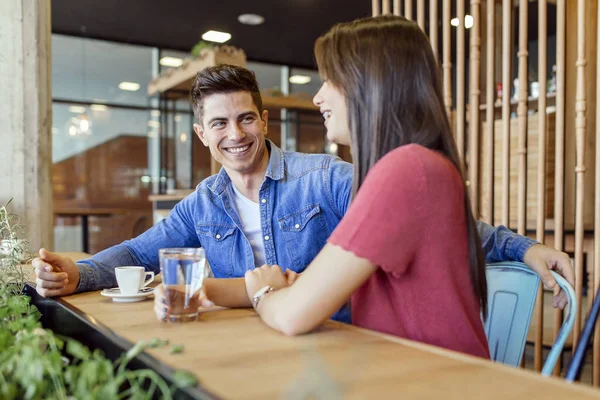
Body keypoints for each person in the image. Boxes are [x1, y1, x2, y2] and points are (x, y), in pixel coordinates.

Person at [34, 64, 573, 325]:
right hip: (255, 344)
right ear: (202, 134)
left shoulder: (327, 176)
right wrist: (78, 272)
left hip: (336, 344)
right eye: (219, 123)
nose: (236, 134)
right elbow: (137, 253)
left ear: (264, 119)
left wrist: (522, 247)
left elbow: (434, 223)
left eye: (246, 118)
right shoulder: (203, 203)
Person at [243, 15, 569, 357]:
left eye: (329, 80)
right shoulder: (420, 165)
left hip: (434, 381)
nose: (317, 98)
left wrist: (264, 294)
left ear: (369, 83)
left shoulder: (407, 169)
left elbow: (294, 316)